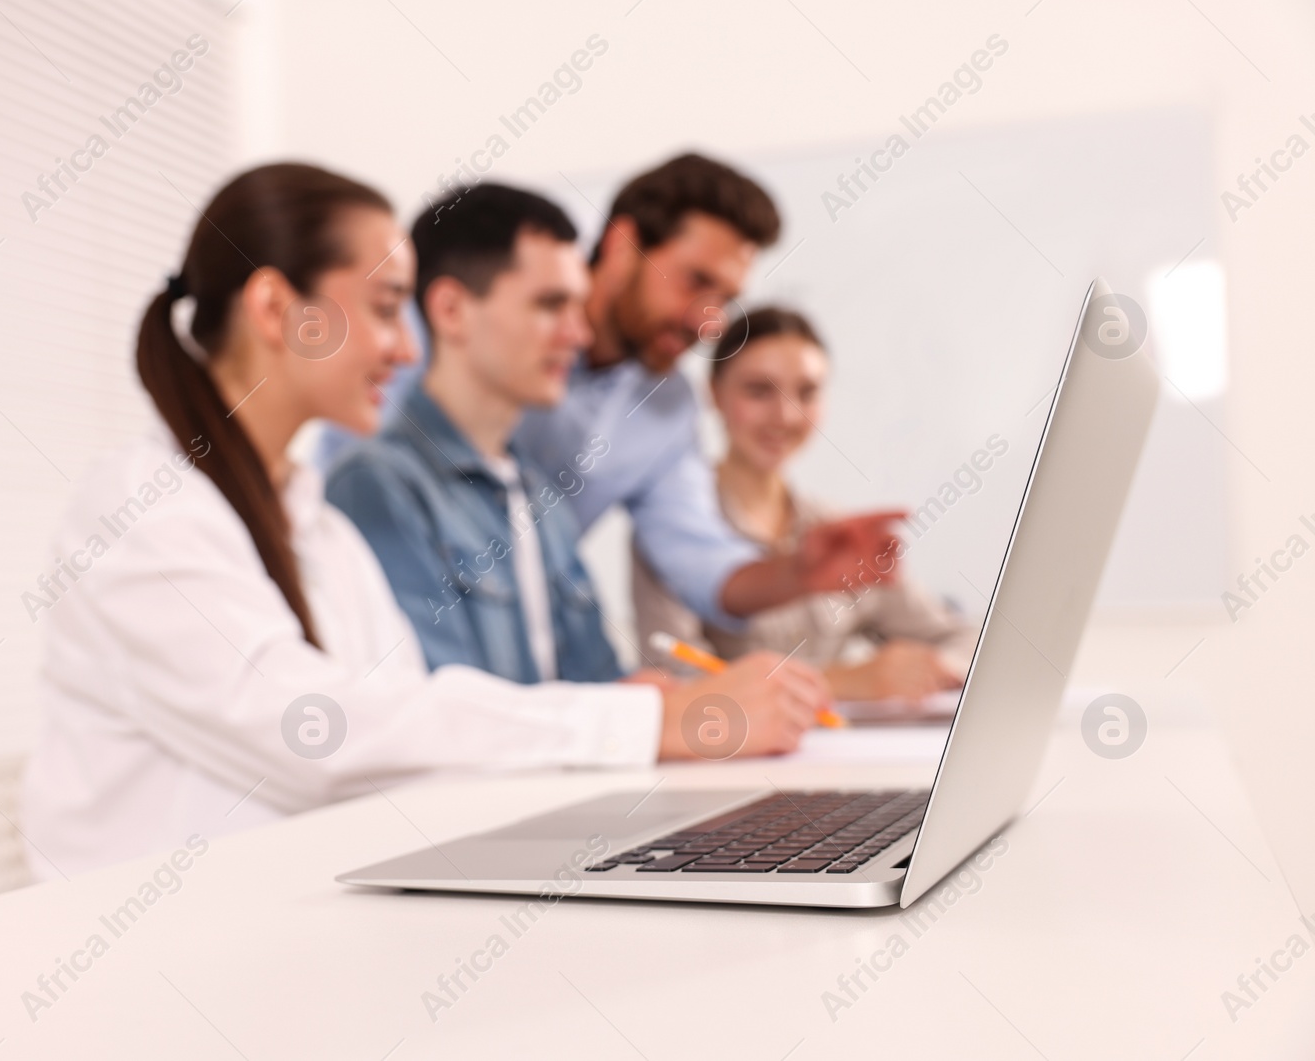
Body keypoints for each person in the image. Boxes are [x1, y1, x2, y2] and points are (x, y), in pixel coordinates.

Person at [19, 163, 830, 876]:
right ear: (275, 306)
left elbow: (416, 728)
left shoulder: (317, 531)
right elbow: (323, 739)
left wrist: (637, 713)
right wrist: (645, 719)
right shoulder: (143, 511)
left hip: (285, 929)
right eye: (383, 309)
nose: (404, 351)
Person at [512, 154, 903, 640]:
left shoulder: (667, 409)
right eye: (696, 282)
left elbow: (701, 563)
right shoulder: (489, 335)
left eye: (725, 298)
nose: (709, 321)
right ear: (623, 245)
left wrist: (799, 572)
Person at [327, 183, 626, 683]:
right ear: (450, 310)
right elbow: (445, 716)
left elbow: (601, 683)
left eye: (580, 308)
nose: (580, 335)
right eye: (552, 305)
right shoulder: (376, 486)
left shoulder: (541, 499)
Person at [634, 306, 977, 701]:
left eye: (807, 392)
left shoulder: (838, 533)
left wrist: (933, 669)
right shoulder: (671, 526)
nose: (785, 415)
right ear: (714, 393)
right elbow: (677, 686)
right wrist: (842, 683)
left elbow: (963, 638)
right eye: (759, 391)